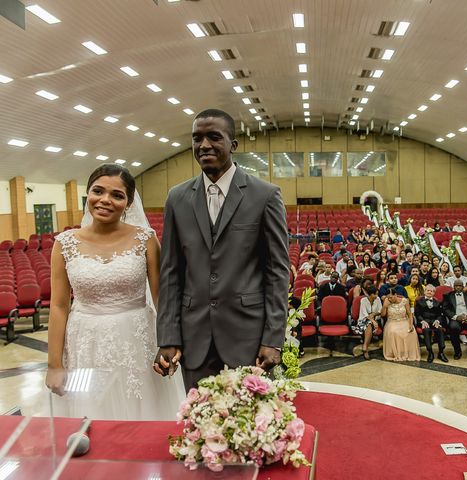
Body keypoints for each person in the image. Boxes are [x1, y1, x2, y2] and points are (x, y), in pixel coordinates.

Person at [156, 109, 289, 391]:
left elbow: (277, 271)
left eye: (214, 137)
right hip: (195, 339)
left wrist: (273, 338)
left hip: (249, 337)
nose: (204, 145)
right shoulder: (177, 198)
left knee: (251, 427)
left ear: (233, 144)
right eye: (197, 139)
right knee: (199, 425)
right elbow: (170, 272)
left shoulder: (264, 195)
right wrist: (168, 336)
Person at [46, 164, 184, 420]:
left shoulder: (146, 239)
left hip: (136, 339)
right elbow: (59, 306)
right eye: (98, 191)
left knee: (142, 409)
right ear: (88, 194)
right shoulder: (64, 244)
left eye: (117, 195)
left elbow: (160, 298)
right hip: (84, 343)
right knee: (89, 408)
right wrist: (54, 364)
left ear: (128, 203)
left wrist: (169, 342)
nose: (105, 200)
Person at [381, 287, 421, 362]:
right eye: (388, 298)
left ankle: (407, 352)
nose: (390, 299)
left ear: (395, 295)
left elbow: (409, 314)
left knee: (411, 332)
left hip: (404, 320)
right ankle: (397, 353)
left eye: (391, 297)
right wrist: (384, 306)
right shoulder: (387, 301)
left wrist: (411, 324)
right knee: (394, 332)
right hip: (392, 322)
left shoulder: (404, 301)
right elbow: (383, 315)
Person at [414, 284, 448, 363]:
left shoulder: (437, 302)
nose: (430, 292)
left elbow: (440, 314)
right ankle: (430, 352)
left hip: (434, 321)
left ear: (434, 293)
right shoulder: (419, 301)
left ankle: (441, 352)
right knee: (426, 330)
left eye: (432, 291)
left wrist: (438, 320)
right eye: (428, 290)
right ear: (425, 291)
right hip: (424, 321)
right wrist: (422, 321)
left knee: (440, 329)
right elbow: (417, 314)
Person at [353, 285, 382, 360]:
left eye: (377, 294)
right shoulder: (363, 300)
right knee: (369, 324)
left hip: (374, 319)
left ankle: (365, 347)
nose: (376, 296)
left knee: (369, 324)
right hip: (363, 321)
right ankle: (365, 347)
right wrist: (373, 321)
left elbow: (380, 311)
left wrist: (374, 314)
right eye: (374, 294)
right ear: (370, 294)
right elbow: (365, 314)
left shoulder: (378, 299)